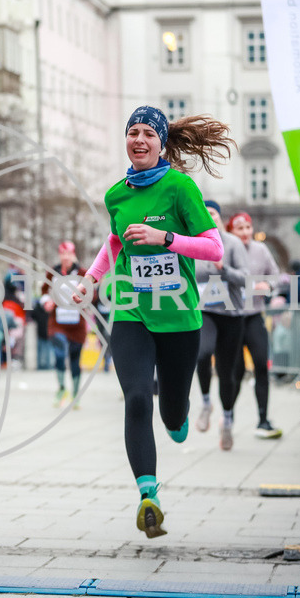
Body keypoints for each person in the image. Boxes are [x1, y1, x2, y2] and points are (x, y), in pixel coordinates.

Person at [75, 105, 232, 538]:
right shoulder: (116, 195)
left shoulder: (180, 187)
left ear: (161, 143)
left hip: (179, 317)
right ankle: (149, 495)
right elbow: (113, 242)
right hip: (131, 311)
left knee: (172, 413)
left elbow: (214, 248)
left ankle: (179, 416)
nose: (139, 140)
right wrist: (91, 279)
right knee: (137, 398)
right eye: (132, 132)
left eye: (147, 133)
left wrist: (166, 238)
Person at [193, 201, 249, 451]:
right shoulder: (192, 243)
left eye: (212, 212)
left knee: (227, 372)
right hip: (205, 311)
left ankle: (226, 419)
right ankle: (206, 402)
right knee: (202, 354)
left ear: (219, 217)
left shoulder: (233, 244)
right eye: (203, 213)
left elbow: (246, 277)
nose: (208, 216)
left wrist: (222, 268)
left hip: (231, 314)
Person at [226, 212, 282, 439]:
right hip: (231, 318)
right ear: (231, 231)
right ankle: (227, 416)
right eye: (240, 228)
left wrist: (266, 286)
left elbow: (276, 277)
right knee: (236, 372)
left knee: (261, 364)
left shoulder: (260, 250)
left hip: (254, 315)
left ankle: (263, 420)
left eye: (248, 227)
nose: (246, 232)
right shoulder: (225, 248)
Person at [41, 241, 88, 408]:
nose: (66, 257)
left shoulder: (82, 273)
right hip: (57, 321)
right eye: (63, 253)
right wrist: (47, 301)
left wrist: (85, 298)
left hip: (76, 323)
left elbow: (93, 295)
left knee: (75, 359)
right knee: (60, 354)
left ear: (73, 254)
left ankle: (75, 394)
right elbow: (44, 292)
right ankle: (61, 388)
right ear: (60, 255)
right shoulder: (52, 272)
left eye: (69, 253)